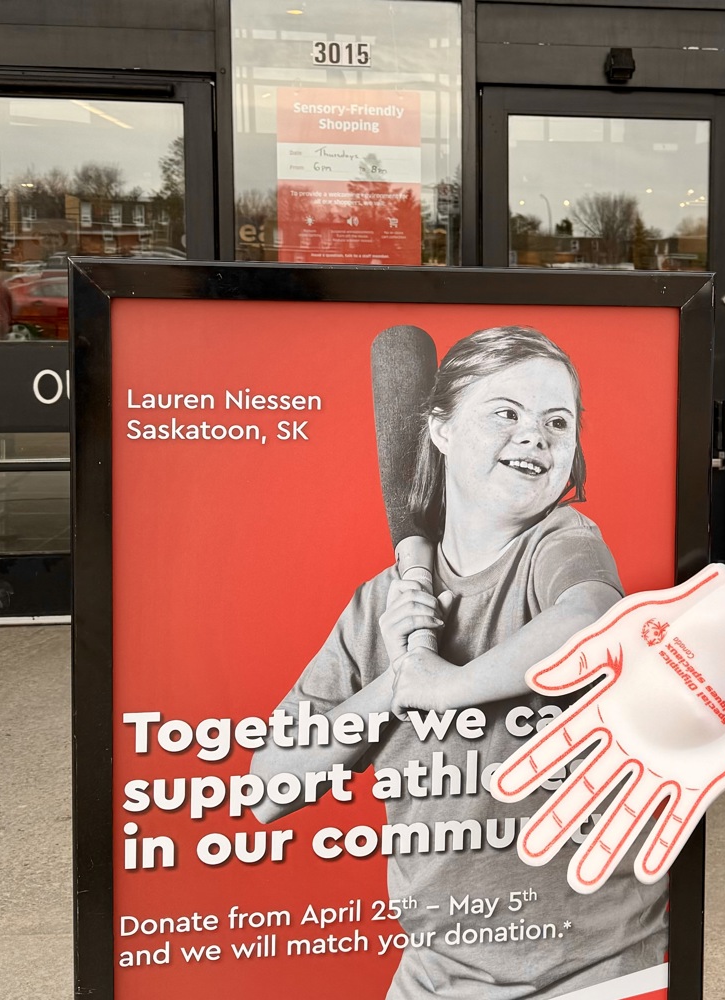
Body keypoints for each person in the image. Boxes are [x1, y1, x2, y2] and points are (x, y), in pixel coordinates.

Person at [250, 326, 668, 999]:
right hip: (437, 972)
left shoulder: (560, 545)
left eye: (556, 421)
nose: (534, 435)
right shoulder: (382, 607)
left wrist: (450, 687)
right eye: (505, 412)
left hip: (595, 968)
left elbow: (590, 617)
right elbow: (267, 787)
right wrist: (394, 684)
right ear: (439, 430)